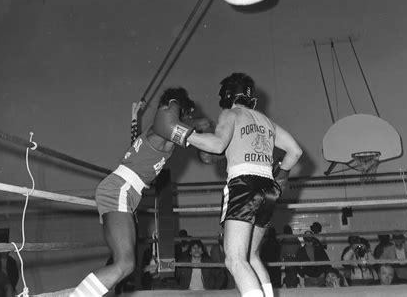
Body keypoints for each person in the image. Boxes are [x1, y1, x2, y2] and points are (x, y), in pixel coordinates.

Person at [70, 87, 197, 297]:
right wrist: (182, 107)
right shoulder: (164, 127)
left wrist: (133, 118)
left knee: (123, 263)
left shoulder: (156, 133)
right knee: (125, 264)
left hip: (122, 191)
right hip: (120, 189)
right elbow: (177, 118)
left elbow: (137, 145)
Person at [187, 72, 303, 297]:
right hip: (269, 187)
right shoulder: (267, 122)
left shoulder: (230, 113)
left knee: (235, 260)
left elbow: (217, 145)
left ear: (228, 95)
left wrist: (182, 134)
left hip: (243, 184)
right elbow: (295, 151)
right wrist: (282, 173)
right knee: (251, 256)